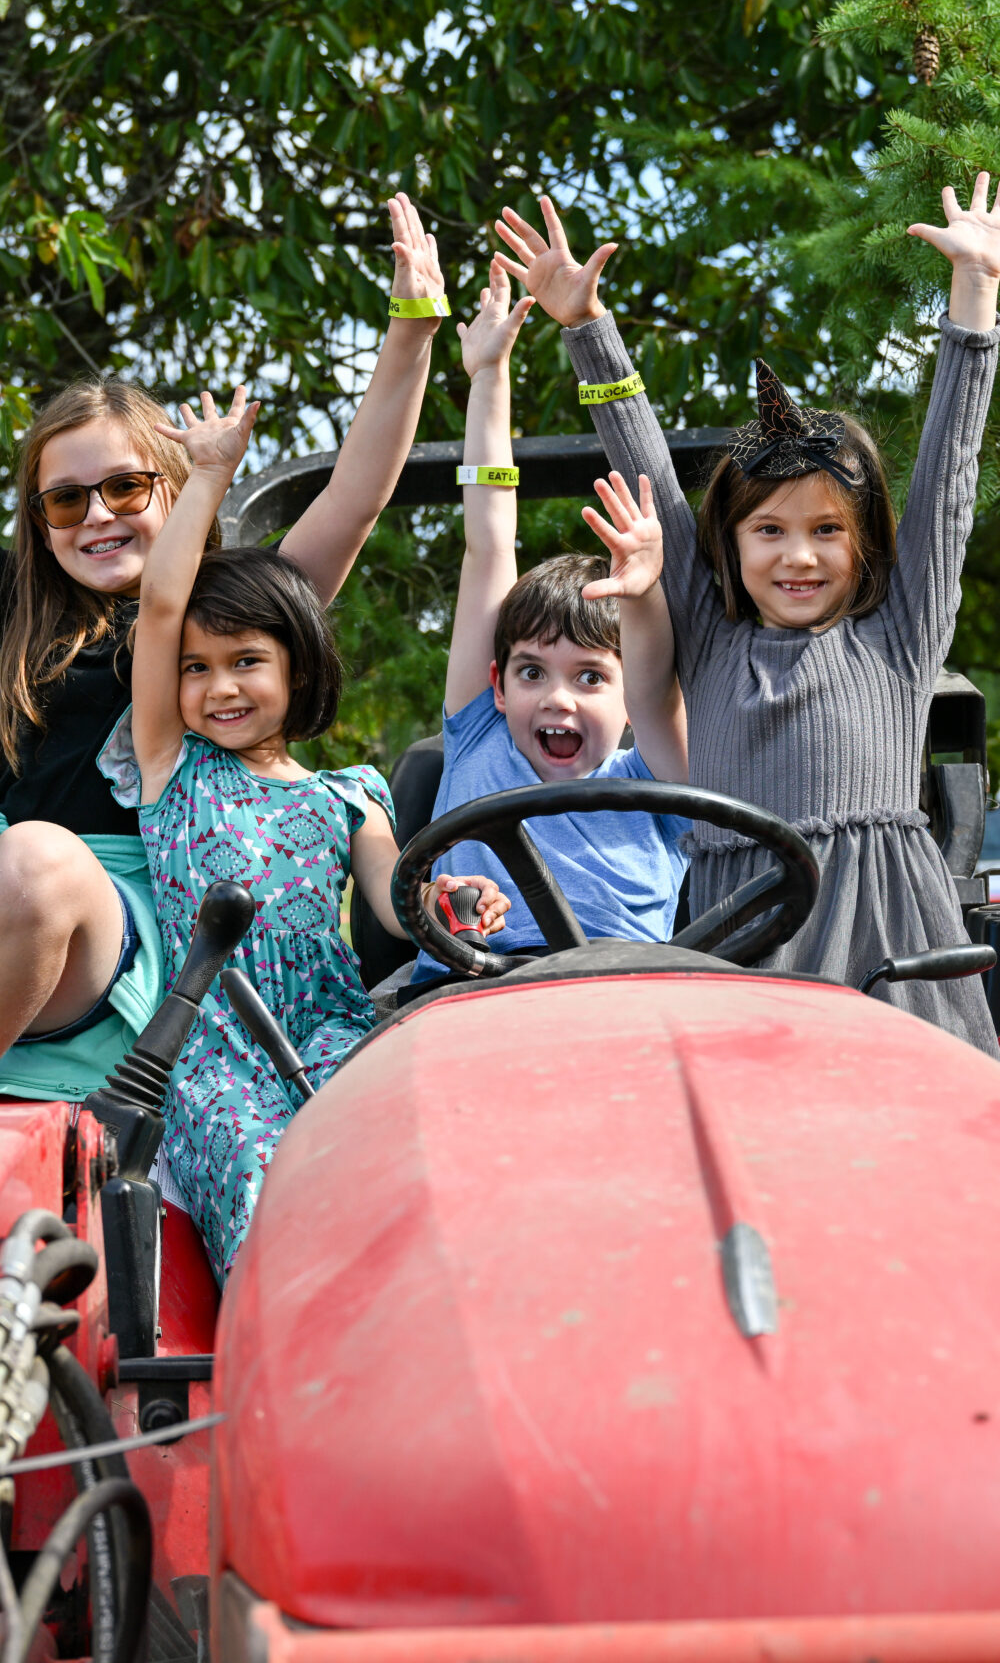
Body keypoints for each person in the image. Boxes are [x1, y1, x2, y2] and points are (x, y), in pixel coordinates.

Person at [0, 194, 449, 1387]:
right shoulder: (15, 607)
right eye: (65, 498)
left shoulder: (230, 610)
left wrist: (409, 333)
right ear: (38, 517)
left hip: (128, 906)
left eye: (124, 489)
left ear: (174, 484)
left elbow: (355, 492)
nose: (96, 514)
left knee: (45, 859)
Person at [494, 183, 1000, 1054]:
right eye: (770, 530)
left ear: (865, 541)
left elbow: (950, 479)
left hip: (889, 948)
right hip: (745, 944)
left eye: (825, 531)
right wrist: (586, 327)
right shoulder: (713, 636)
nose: (797, 556)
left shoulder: (901, 635)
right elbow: (643, 458)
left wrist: (975, 301)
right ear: (730, 543)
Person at [97, 389, 508, 1277]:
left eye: (246, 661)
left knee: (404, 1172)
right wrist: (207, 474)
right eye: (198, 671)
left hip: (330, 1033)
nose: (221, 688)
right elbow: (161, 607)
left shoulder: (349, 794)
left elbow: (399, 905)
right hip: (213, 1053)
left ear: (298, 663)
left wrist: (449, 898)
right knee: (265, 1184)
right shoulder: (171, 767)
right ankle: (278, 1351)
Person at [410, 259, 689, 987]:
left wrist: (641, 592)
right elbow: (489, 541)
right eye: (533, 672)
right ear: (498, 685)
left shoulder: (659, 784)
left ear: (627, 698)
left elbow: (657, 690)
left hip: (623, 1000)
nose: (558, 697)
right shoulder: (478, 734)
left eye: (591, 676)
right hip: (470, 990)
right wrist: (488, 375)